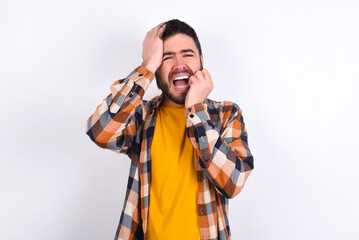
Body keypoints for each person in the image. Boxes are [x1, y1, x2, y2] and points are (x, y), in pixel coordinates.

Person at [86, 19, 254, 240]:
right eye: (167, 57)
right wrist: (146, 67)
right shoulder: (141, 116)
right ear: (157, 68)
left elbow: (233, 182)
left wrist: (196, 110)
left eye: (187, 54)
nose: (178, 64)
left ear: (201, 61)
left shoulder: (226, 114)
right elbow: (100, 131)